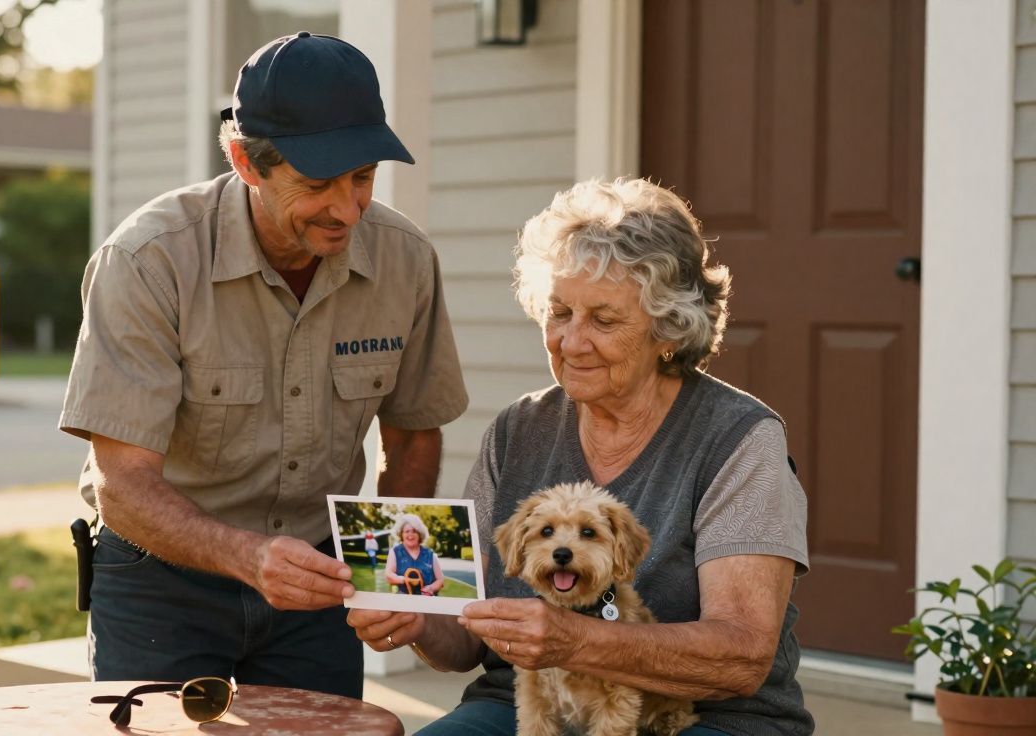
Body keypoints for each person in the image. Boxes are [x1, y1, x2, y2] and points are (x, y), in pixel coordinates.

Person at [59, 32, 468, 700]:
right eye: (316, 184)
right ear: (246, 162)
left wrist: (394, 581)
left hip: (319, 580)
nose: (347, 209)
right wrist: (248, 558)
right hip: (162, 581)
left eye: (362, 178)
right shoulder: (148, 261)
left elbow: (415, 433)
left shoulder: (407, 260)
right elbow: (121, 485)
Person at [348, 178, 813, 735]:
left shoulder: (739, 439)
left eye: (604, 319)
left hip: (703, 718)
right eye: (560, 312)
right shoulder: (516, 430)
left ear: (669, 329)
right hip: (525, 708)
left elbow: (742, 656)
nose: (570, 341)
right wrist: (415, 617)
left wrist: (580, 641)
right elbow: (465, 639)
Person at [384, 513, 445, 596]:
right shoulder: (395, 552)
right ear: (401, 534)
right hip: (403, 600)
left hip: (427, 601)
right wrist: (404, 580)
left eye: (414, 531)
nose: (410, 535)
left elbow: (440, 580)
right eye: (407, 531)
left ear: (420, 535)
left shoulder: (430, 554)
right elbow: (388, 575)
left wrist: (431, 588)